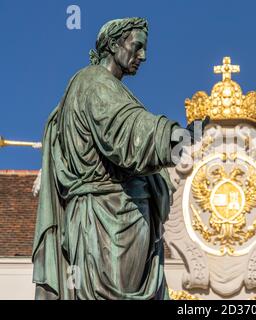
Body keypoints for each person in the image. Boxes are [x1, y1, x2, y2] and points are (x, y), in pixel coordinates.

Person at [32, 17, 206, 299]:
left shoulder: (101, 85)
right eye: (137, 47)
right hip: (109, 220)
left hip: (109, 217)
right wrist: (173, 136)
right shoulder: (95, 82)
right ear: (114, 44)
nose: (143, 56)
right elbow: (126, 130)